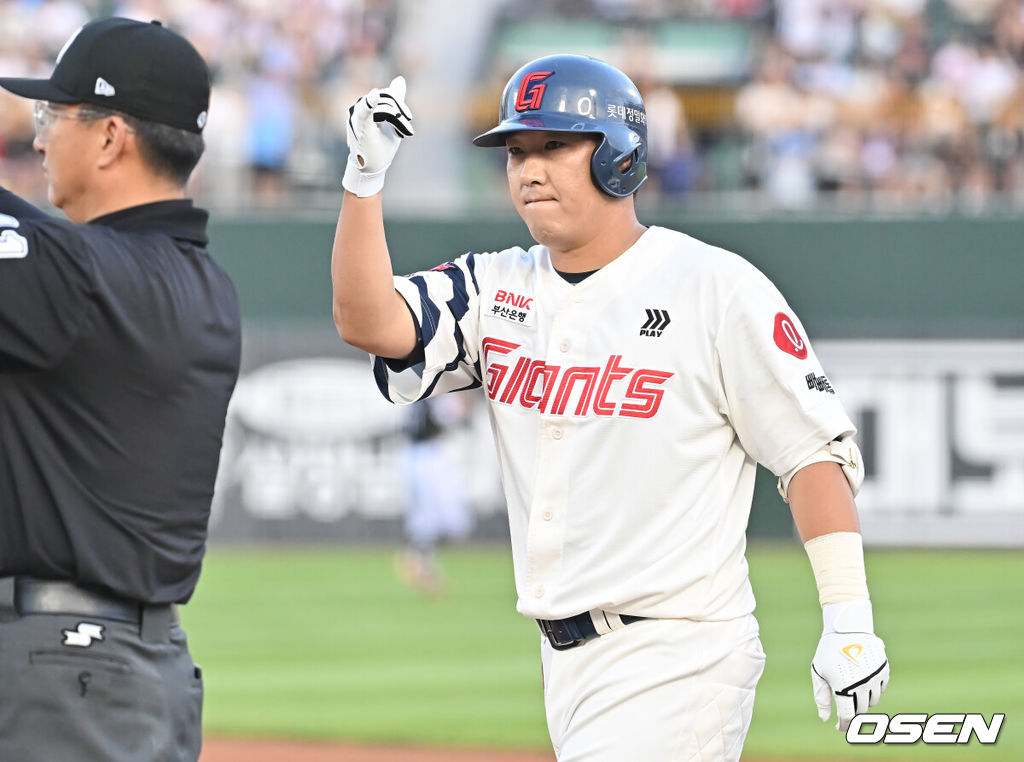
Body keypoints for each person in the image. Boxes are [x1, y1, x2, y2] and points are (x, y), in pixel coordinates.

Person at [332, 55, 889, 760]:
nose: (529, 170)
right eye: (515, 151)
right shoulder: (496, 286)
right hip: (564, 658)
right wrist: (363, 178)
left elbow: (811, 454)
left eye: (554, 146)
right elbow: (368, 321)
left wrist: (849, 619)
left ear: (620, 157)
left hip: (679, 652)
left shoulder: (713, 287)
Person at [0, 17, 240, 762]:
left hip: (63, 673)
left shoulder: (78, 274)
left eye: (52, 117)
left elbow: (50, 260)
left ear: (110, 137)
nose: (38, 139)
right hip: (131, 667)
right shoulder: (203, 285)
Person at [396, 395, 475, 596]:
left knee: (444, 522)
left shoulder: (423, 394)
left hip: (425, 453)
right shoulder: (434, 394)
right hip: (425, 456)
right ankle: (419, 563)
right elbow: (460, 413)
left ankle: (416, 559)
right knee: (433, 520)